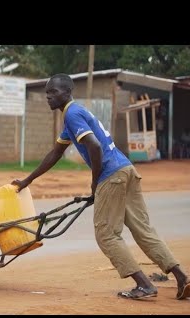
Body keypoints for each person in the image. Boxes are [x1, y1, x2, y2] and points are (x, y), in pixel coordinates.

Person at [12, 73, 189, 300]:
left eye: (53, 92)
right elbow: (55, 153)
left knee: (106, 235)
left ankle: (144, 284)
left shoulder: (72, 115)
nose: (48, 97)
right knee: (143, 231)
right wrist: (28, 180)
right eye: (47, 92)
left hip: (111, 175)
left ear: (67, 92)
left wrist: (95, 181)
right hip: (126, 169)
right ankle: (182, 277)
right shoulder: (76, 114)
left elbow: (94, 146)